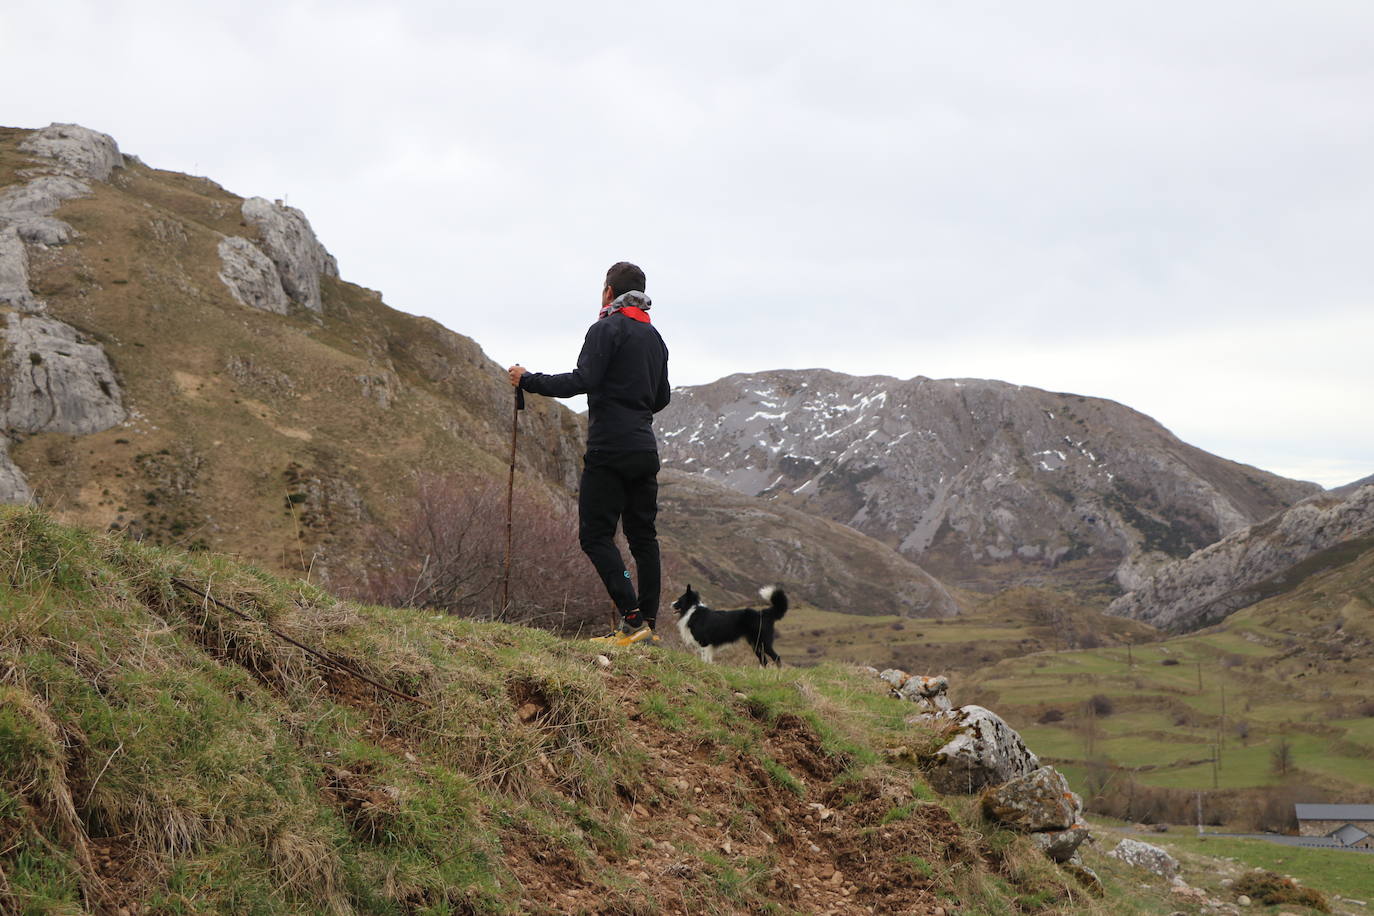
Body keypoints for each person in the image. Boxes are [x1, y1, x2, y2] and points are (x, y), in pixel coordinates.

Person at [507, 262, 670, 645]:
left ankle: (631, 621)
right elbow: (661, 397)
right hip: (644, 448)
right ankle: (648, 624)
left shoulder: (605, 329)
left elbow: (583, 381)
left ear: (609, 293)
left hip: (609, 448)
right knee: (643, 538)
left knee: (596, 536)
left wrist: (528, 381)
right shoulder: (655, 338)